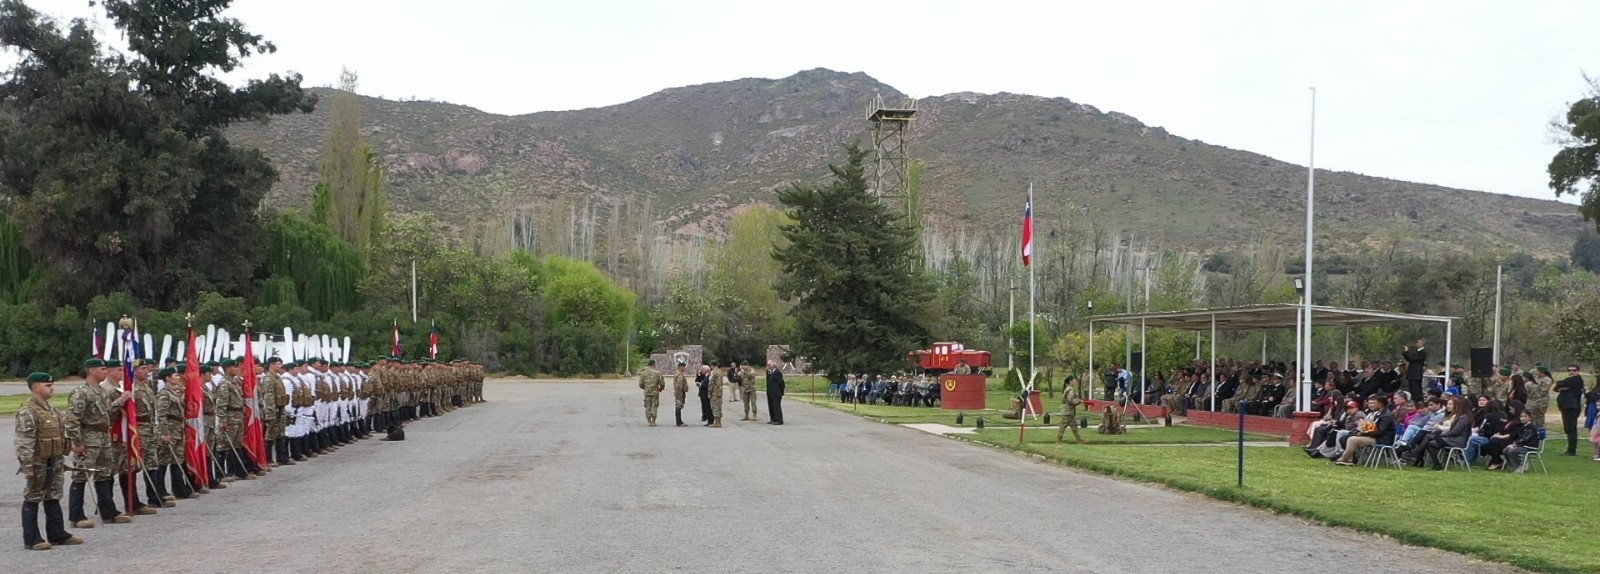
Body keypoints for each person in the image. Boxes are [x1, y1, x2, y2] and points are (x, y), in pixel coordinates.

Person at [16, 372, 84, 551]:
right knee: (33, 497)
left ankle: (57, 534)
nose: (52, 388)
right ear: (35, 387)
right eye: (47, 385)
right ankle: (32, 538)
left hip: (54, 459)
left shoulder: (51, 410)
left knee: (53, 496)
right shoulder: (28, 411)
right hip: (38, 462)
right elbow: (24, 441)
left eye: (51, 384)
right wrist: (27, 466)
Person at [1335, 395, 1394, 466]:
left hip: (1382, 439)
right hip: (1375, 436)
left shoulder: (1386, 416)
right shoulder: (1379, 413)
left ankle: (1343, 459)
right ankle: (1348, 460)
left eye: (1376, 403)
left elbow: (1380, 432)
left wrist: (1364, 434)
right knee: (1351, 438)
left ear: (1380, 404)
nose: (1374, 405)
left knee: (1352, 439)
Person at [1553, 364, 1586, 456]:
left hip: (1571, 407)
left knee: (1571, 428)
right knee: (1568, 428)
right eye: (1569, 370)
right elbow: (1556, 388)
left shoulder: (1577, 380)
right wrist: (1561, 387)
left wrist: (1562, 387)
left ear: (1578, 371)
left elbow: (1560, 383)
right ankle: (1570, 449)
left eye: (1574, 370)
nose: (1571, 372)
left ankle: (1572, 450)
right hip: (1566, 407)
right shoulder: (1570, 380)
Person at [1057, 376, 1085, 444]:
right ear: (1070, 381)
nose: (1075, 381)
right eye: (1074, 380)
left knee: (1074, 426)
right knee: (1063, 426)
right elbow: (1070, 400)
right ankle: (1059, 441)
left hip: (1069, 411)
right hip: (1067, 411)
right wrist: (1079, 401)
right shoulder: (1070, 390)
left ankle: (1079, 440)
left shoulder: (1068, 389)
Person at [638, 359, 663, 426]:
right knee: (654, 405)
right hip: (655, 392)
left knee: (647, 406)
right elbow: (662, 383)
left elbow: (640, 384)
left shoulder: (643, 373)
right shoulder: (657, 373)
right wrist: (660, 389)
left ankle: (649, 421)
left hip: (647, 392)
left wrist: (645, 388)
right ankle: (653, 421)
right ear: (654, 365)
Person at [766, 360, 785, 425]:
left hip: (776, 393)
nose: (768, 366)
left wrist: (781, 391)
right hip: (771, 392)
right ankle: (773, 419)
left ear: (773, 366)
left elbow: (781, 383)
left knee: (777, 406)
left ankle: (779, 420)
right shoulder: (770, 372)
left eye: (770, 365)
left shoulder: (777, 372)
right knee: (772, 406)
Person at [671, 361, 689, 427]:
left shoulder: (678, 374)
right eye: (684, 367)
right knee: (678, 406)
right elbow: (679, 386)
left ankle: (679, 421)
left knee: (678, 406)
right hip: (679, 393)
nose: (684, 368)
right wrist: (684, 390)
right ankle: (678, 422)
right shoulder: (680, 375)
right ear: (680, 367)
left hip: (678, 393)